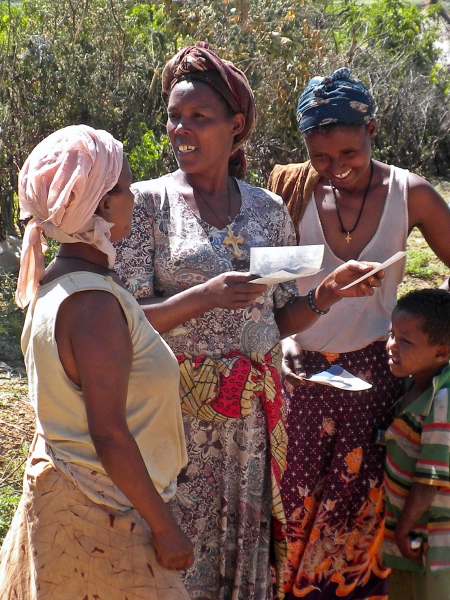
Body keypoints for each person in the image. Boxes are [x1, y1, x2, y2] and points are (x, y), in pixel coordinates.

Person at [114, 44, 385, 600]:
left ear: (235, 126)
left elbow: (275, 321)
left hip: (251, 424)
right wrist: (205, 296)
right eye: (174, 116)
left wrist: (326, 294)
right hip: (175, 417)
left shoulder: (268, 210)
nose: (181, 129)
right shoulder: (146, 205)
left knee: (242, 556)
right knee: (173, 558)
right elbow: (121, 324)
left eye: (199, 117)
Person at [267, 67, 450, 599]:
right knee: (292, 507)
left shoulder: (409, 194)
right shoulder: (291, 191)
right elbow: (271, 288)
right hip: (300, 375)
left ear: (373, 130)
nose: (336, 168)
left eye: (349, 152)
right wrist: (287, 342)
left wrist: (430, 324)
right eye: (320, 157)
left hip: (376, 383)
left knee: (360, 514)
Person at [0, 125, 193, 599]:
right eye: (125, 188)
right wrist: (164, 527)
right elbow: (108, 434)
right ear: (104, 206)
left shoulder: (58, 284)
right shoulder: (93, 305)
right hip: (104, 518)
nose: (134, 197)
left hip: (72, 503)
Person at [383, 288, 450, 600]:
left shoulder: (443, 400)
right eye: (391, 334)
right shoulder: (414, 383)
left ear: (441, 352)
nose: (391, 345)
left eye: (405, 341)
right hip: (411, 538)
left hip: (433, 545)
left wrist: (403, 528)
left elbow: (430, 480)